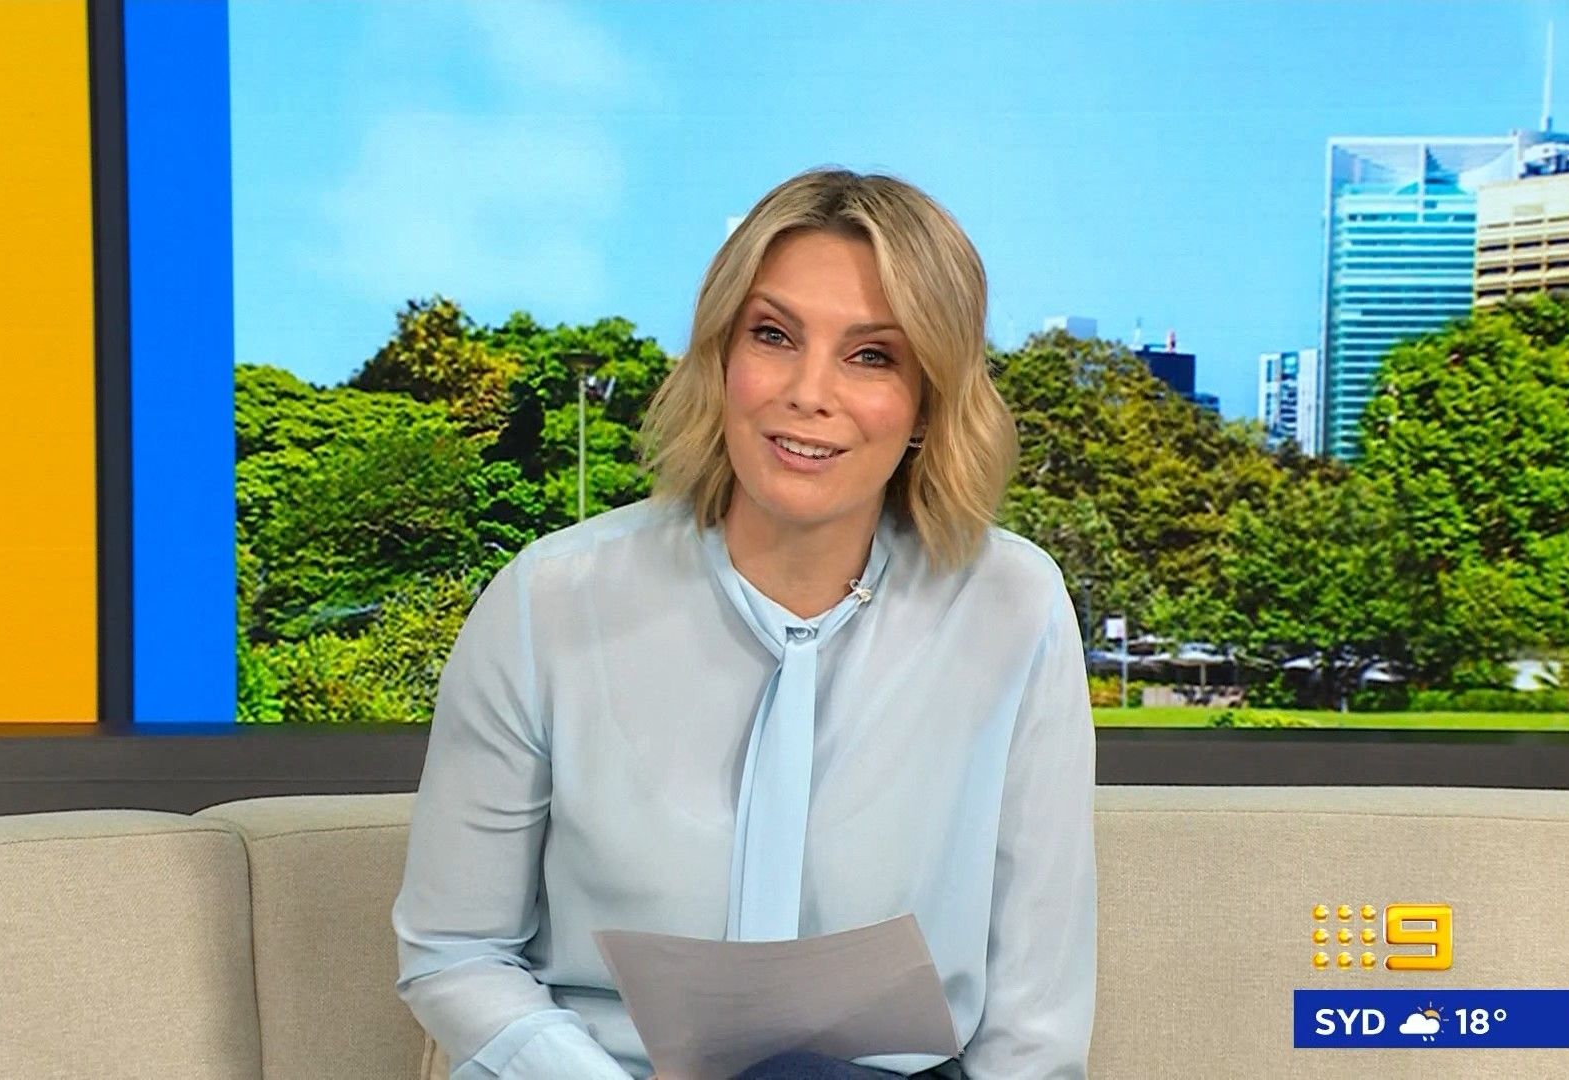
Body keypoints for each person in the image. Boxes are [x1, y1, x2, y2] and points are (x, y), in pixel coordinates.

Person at [393, 167, 1096, 1079]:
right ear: (721, 356)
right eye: (773, 335)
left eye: (871, 356)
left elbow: (1034, 1026)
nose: (808, 391)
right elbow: (456, 952)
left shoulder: (1014, 604)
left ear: (928, 399)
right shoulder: (549, 602)